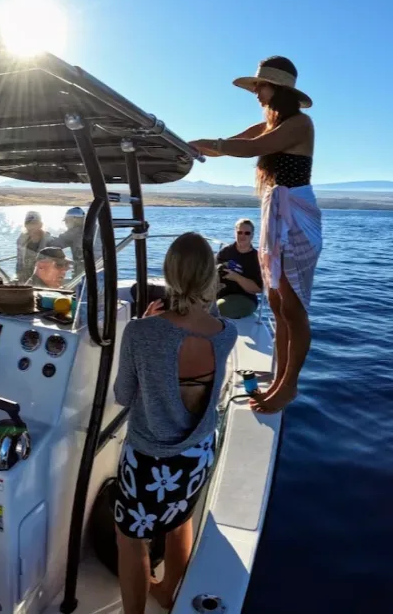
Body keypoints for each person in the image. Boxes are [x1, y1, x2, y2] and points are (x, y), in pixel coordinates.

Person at [112, 233, 237, 614]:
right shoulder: (226, 333)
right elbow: (199, 325)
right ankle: (168, 592)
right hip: (197, 454)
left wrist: (145, 327)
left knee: (131, 538)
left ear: (169, 273)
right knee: (180, 521)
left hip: (148, 460)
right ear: (210, 277)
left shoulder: (140, 332)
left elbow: (122, 395)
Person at [190, 56, 322, 413]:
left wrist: (208, 143)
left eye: (259, 86)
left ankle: (289, 387)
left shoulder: (299, 123)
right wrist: (191, 146)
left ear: (276, 88)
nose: (255, 93)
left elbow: (248, 148)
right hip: (276, 213)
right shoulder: (270, 123)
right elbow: (234, 143)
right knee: (277, 304)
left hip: (295, 216)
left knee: (293, 308)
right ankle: (279, 378)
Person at [215, 218, 263, 319]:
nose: (242, 236)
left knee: (220, 308)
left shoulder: (257, 258)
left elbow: (258, 289)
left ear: (252, 235)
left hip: (246, 298)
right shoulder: (225, 252)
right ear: (235, 233)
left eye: (247, 233)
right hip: (220, 294)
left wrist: (236, 277)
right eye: (239, 232)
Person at [15, 210, 52, 281]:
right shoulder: (21, 240)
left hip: (45, 277)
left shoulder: (50, 241)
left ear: (40, 225)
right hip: (26, 277)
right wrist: (19, 276)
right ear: (25, 225)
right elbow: (19, 261)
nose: (31, 226)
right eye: (28, 223)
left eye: (34, 223)